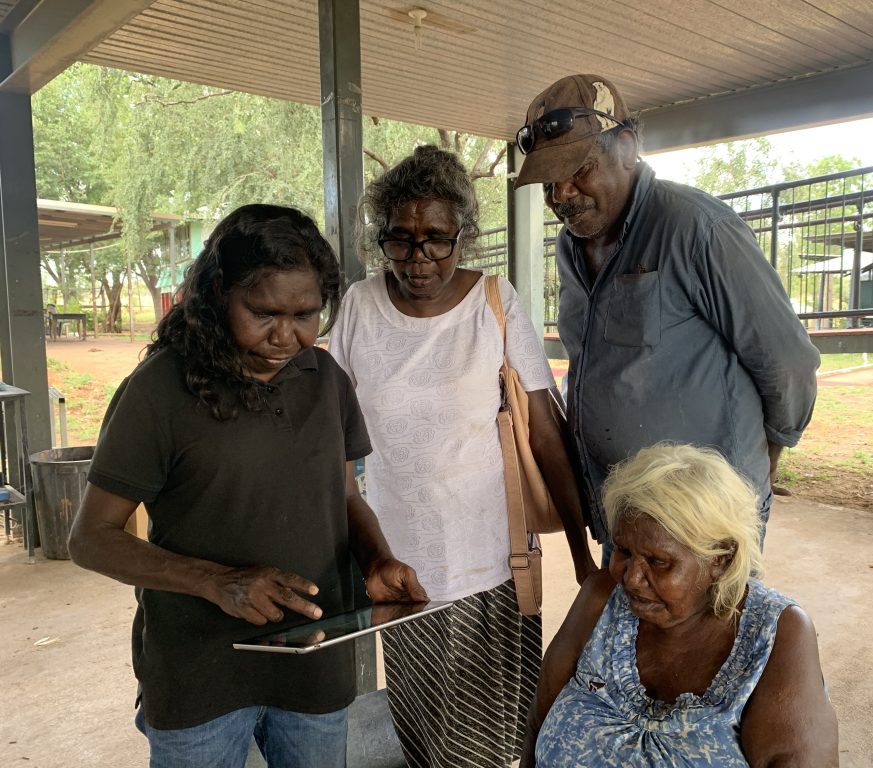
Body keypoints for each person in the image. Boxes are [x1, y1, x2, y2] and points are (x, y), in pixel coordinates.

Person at [68, 204, 426, 768]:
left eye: (307, 314)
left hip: (314, 662)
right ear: (217, 295)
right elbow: (91, 538)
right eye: (263, 312)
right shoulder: (160, 390)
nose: (286, 336)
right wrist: (218, 582)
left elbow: (346, 498)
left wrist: (376, 560)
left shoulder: (326, 382)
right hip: (201, 675)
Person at [327, 145, 597, 767]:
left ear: (463, 238)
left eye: (437, 240)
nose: (418, 259)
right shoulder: (360, 307)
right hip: (401, 567)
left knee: (499, 738)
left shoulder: (494, 303)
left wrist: (581, 551)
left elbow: (546, 431)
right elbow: (331, 428)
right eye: (401, 239)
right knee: (426, 737)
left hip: (490, 566)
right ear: (382, 238)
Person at [513, 74, 820, 559]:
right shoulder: (571, 247)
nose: (561, 193)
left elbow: (788, 363)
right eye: (550, 180)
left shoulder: (698, 228)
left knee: (702, 635)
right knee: (631, 634)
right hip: (622, 509)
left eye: (578, 169)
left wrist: (761, 464)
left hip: (702, 516)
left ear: (628, 147)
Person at [522, 443, 839, 767]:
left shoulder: (774, 632)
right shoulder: (600, 598)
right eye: (623, 551)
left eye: (658, 562)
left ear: (721, 558)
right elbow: (537, 722)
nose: (631, 578)